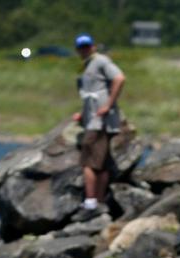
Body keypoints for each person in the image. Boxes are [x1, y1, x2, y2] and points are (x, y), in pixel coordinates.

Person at [72, 33, 125, 218]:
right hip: (93, 118)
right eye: (81, 47)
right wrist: (82, 114)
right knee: (101, 162)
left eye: (87, 46)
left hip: (100, 121)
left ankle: (91, 202)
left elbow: (119, 78)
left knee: (88, 160)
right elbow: (89, 94)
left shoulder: (101, 61)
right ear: (78, 49)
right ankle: (100, 201)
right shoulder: (87, 65)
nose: (85, 49)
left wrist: (109, 104)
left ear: (93, 46)